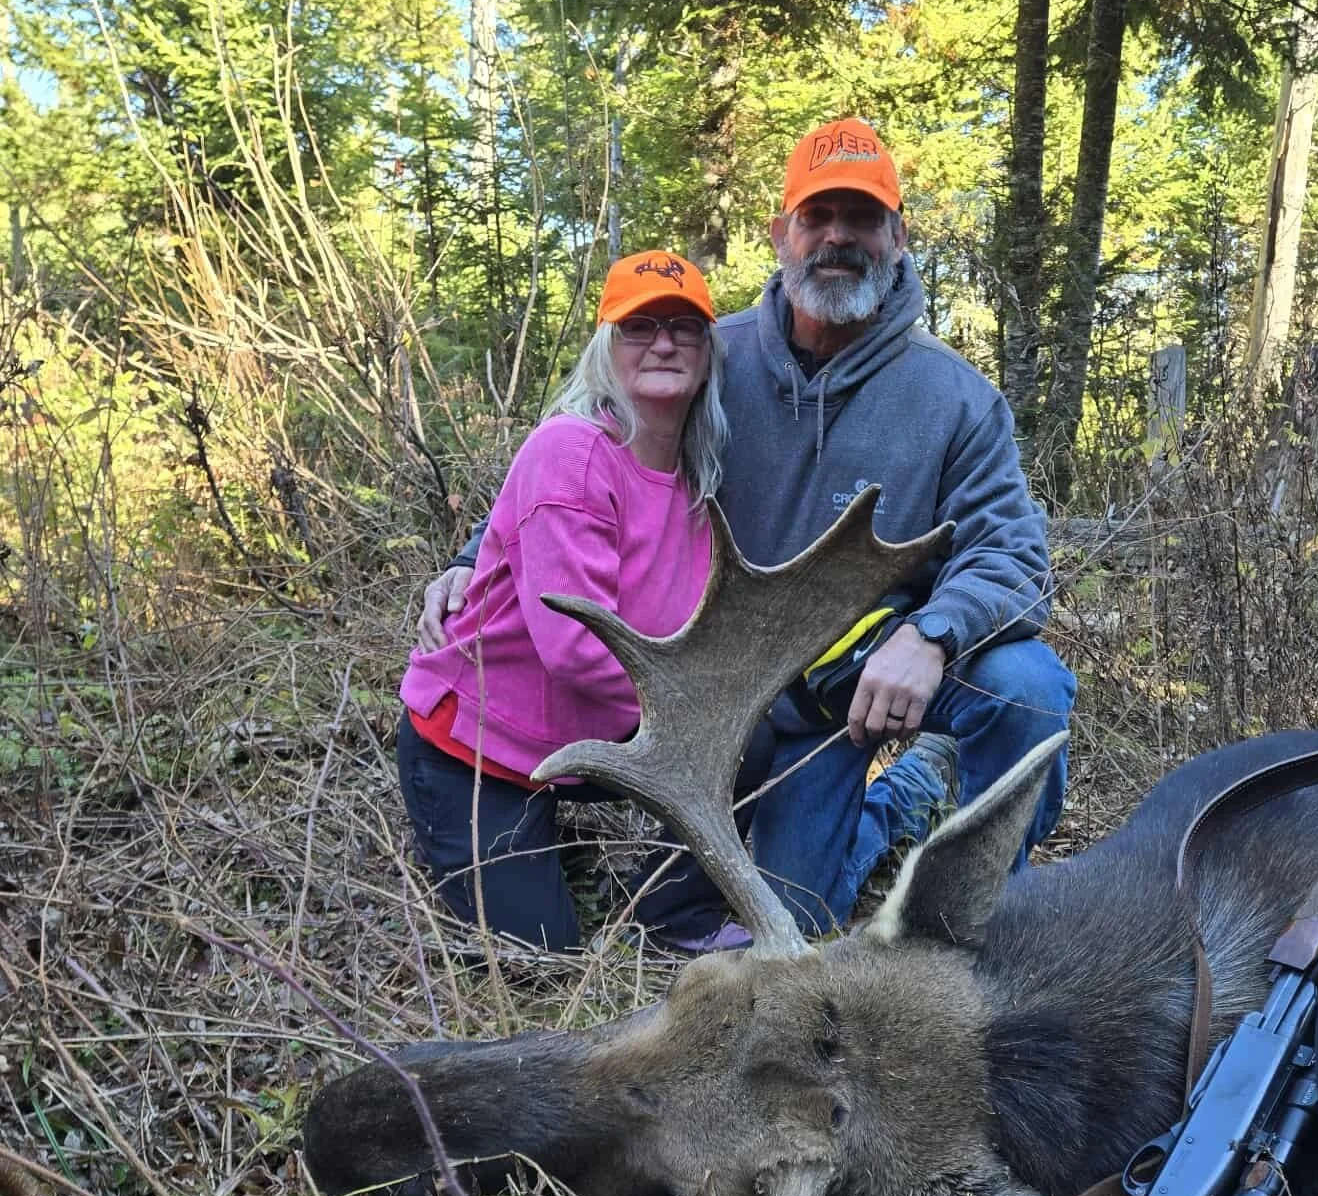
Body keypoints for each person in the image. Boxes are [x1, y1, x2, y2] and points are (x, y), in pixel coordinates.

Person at [420, 119, 1074, 934]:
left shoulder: (956, 398)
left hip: (876, 679)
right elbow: (581, 451)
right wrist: (476, 555)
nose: (838, 238)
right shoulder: (703, 354)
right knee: (794, 917)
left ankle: (992, 916)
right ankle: (895, 801)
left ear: (899, 238)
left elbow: (1012, 554)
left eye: (862, 219)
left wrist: (933, 635)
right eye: (817, 216)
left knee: (1027, 687)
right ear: (781, 234)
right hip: (758, 707)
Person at [397, 248, 764, 953]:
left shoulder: (699, 472)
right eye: (639, 326)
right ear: (606, 346)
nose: (664, 342)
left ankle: (670, 915)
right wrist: (699, 704)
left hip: (585, 742)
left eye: (685, 328)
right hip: (477, 747)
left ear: (710, 353)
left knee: (757, 729)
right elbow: (574, 644)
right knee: (537, 961)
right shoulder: (572, 451)